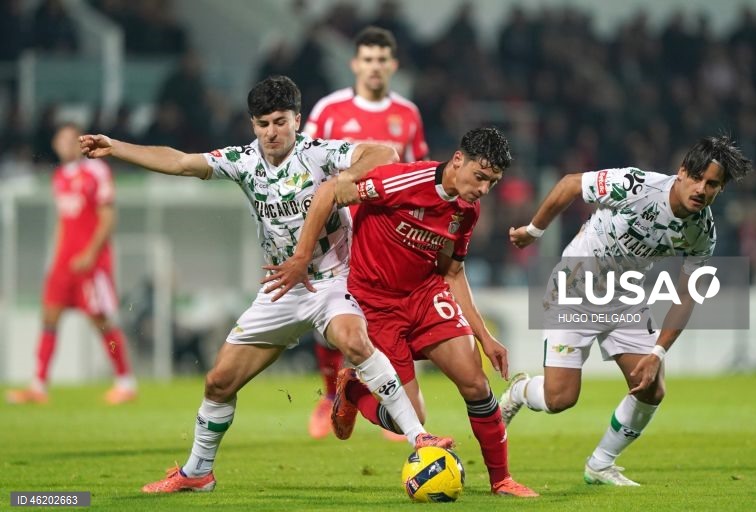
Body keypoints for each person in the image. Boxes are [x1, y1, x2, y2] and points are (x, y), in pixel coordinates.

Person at [79, 75, 453, 494]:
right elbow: (181, 162)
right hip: (280, 289)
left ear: (297, 119)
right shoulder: (242, 159)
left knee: (352, 339)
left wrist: (343, 183)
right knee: (219, 382)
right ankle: (198, 471)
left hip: (333, 280)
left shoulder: (319, 153)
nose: (271, 132)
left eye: (279, 121)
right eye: (262, 124)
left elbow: (385, 151)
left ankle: (419, 438)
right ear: (252, 124)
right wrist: (117, 148)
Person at [265, 127, 539, 497]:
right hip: (375, 304)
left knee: (475, 382)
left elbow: (453, 271)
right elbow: (331, 192)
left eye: (492, 182)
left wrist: (484, 336)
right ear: (458, 160)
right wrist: (303, 257)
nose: (483, 190)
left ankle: (501, 479)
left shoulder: (467, 210)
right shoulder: (401, 181)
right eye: (479, 177)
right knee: (411, 417)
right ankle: (354, 393)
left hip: (426, 296)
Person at [499, 136, 753, 486]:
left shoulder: (702, 232)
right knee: (559, 399)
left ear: (719, 191)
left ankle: (601, 464)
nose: (701, 189)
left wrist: (659, 352)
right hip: (577, 287)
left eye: (712, 185)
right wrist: (533, 230)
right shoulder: (636, 186)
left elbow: (687, 293)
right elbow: (571, 184)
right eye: (697, 178)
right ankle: (520, 391)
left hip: (626, 298)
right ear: (682, 172)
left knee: (652, 388)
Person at [302, 25, 430, 441]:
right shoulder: (329, 109)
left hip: (386, 232)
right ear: (355, 64)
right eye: (368, 60)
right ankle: (328, 397)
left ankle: (392, 399)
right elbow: (303, 165)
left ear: (392, 65)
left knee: (391, 313)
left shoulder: (407, 114)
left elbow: (419, 173)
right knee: (328, 307)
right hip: (338, 229)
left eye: (382, 60)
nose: (375, 67)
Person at [6, 123, 137, 405]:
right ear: (55, 144)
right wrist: (55, 260)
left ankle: (126, 382)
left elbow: (107, 218)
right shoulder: (59, 177)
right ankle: (38, 385)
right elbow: (64, 224)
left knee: (101, 323)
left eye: (71, 139)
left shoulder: (97, 172)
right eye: (61, 139)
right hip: (64, 263)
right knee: (49, 319)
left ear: (80, 144)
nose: (66, 144)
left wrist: (90, 253)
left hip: (91, 263)